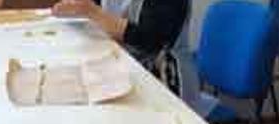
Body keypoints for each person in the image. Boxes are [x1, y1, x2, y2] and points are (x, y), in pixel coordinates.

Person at [51, 0, 188, 66]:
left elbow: (148, 40)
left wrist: (92, 11)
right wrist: (73, 7)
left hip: (166, 78)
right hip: (121, 62)